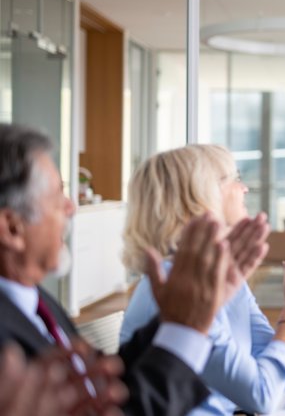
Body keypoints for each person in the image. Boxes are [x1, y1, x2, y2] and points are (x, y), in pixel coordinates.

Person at [0, 122, 231, 416]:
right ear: (12, 228)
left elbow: (106, 386)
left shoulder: (36, 301)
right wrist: (185, 331)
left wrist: (176, 317)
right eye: (58, 197)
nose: (71, 207)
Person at [119, 144, 285, 416]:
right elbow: (262, 395)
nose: (244, 189)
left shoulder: (222, 281)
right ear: (201, 196)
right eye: (235, 179)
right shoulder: (176, 288)